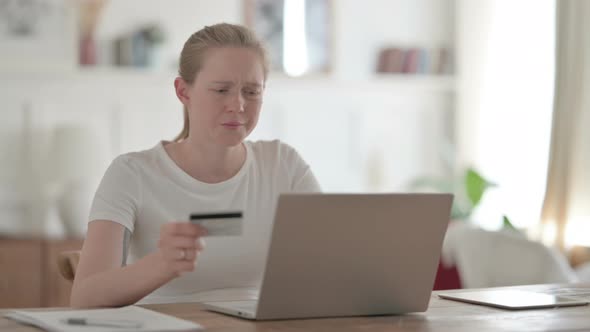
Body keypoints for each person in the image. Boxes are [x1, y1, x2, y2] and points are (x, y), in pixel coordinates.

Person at [70, 23, 321, 308]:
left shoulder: (284, 165)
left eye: (252, 92)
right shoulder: (131, 173)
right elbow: (84, 298)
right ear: (183, 91)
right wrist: (161, 264)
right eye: (221, 90)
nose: (238, 105)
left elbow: (331, 261)